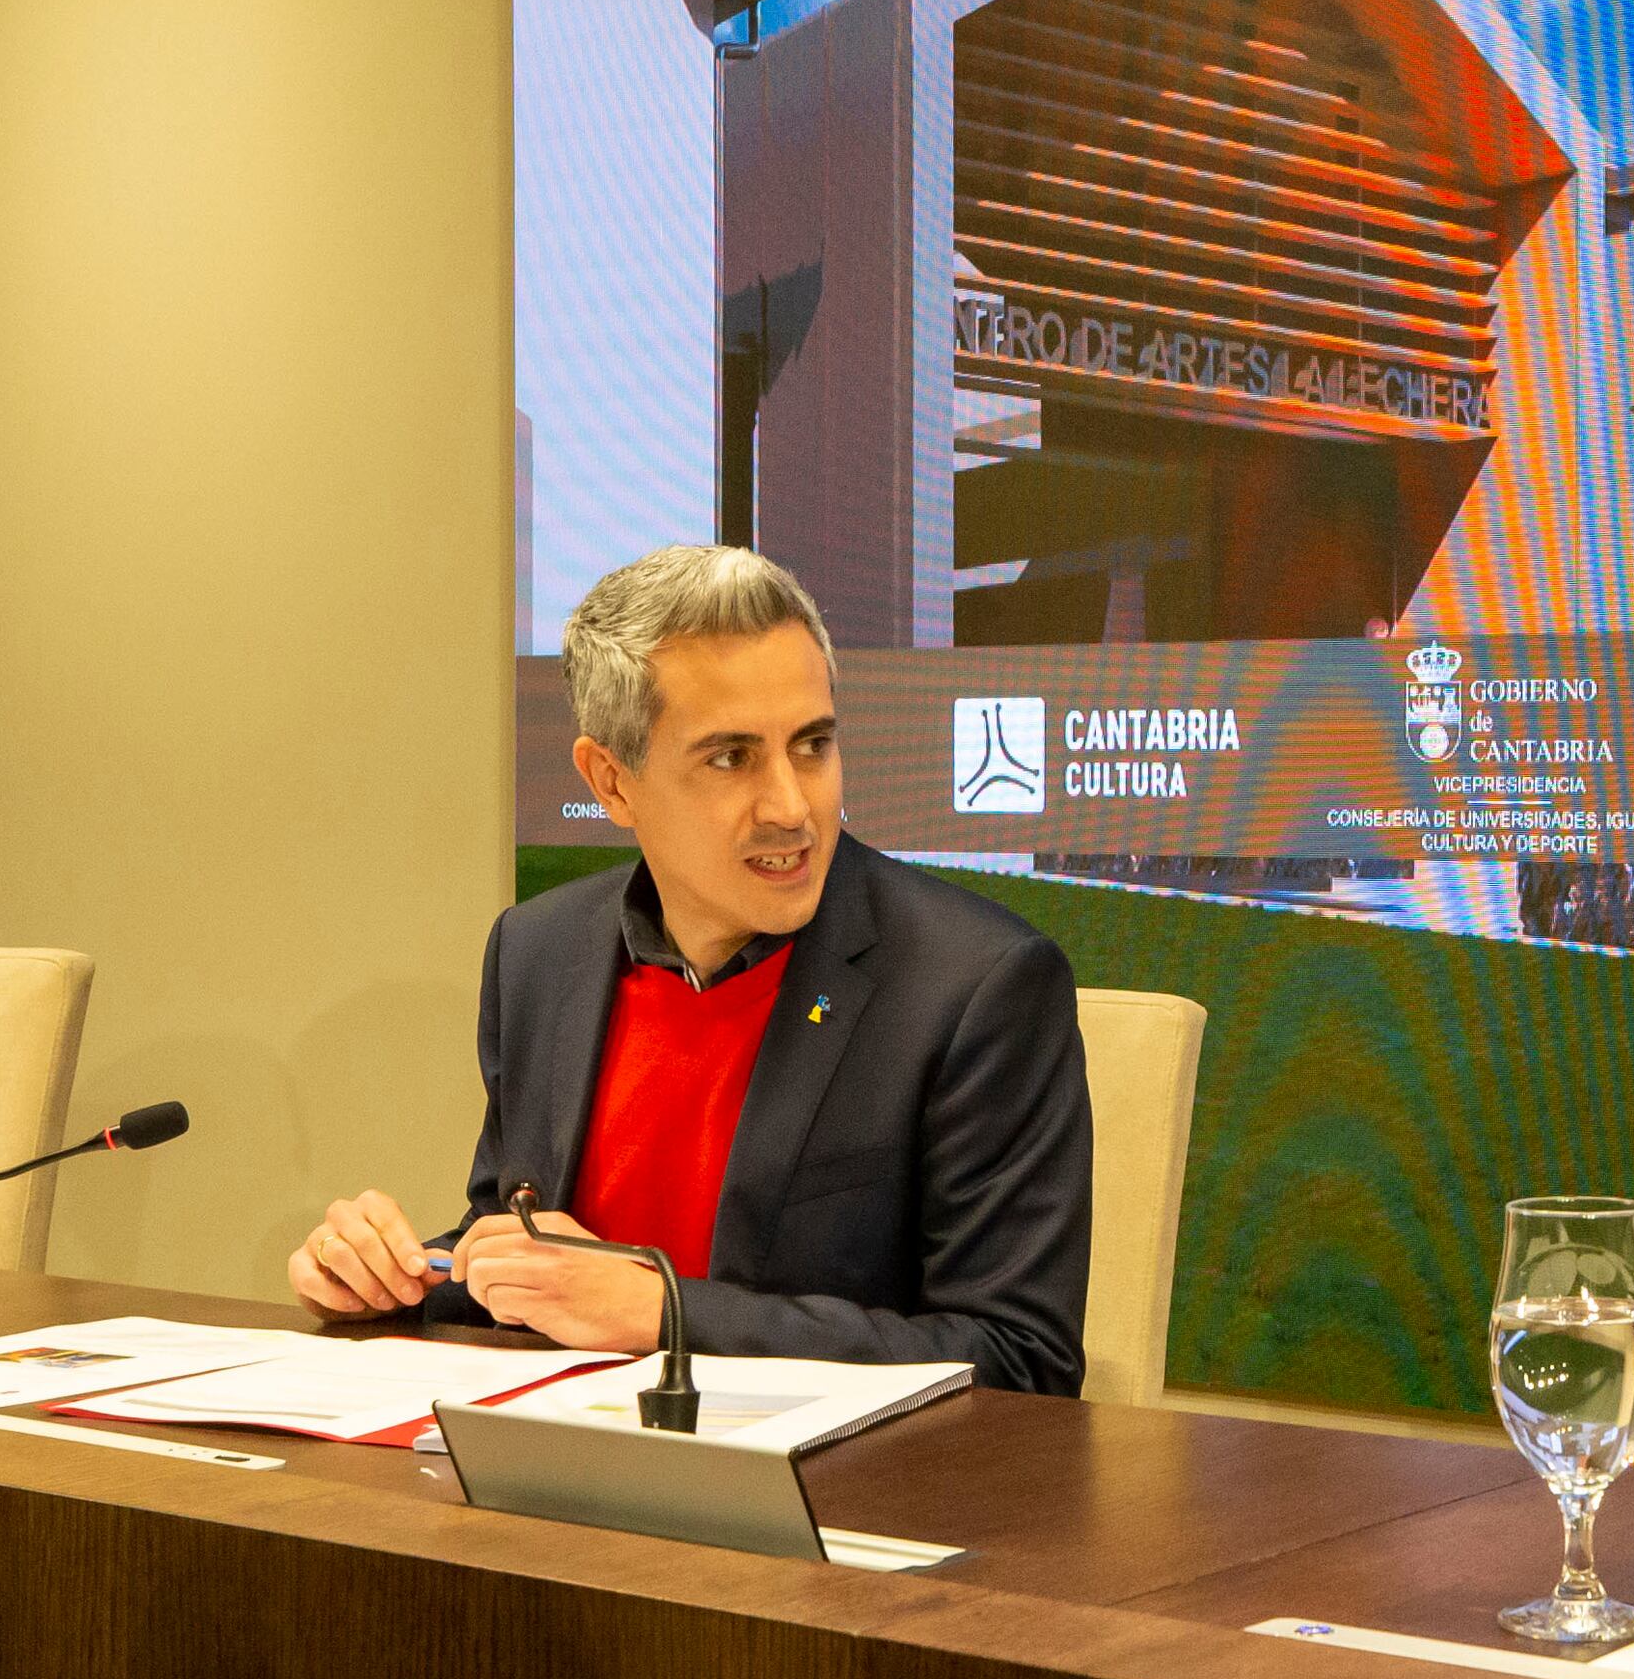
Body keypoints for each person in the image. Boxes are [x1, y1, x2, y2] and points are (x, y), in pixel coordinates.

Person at [284, 544, 1091, 1392]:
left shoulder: (978, 987)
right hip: (567, 1477)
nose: (791, 806)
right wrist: (401, 1279)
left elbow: (1019, 1362)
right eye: (731, 757)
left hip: (837, 1502)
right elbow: (525, 1249)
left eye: (812, 745)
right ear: (612, 781)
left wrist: (665, 1312)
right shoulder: (538, 952)